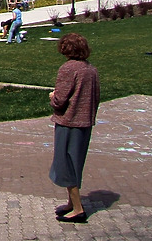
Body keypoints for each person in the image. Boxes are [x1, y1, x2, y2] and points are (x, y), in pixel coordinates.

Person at [49, 34, 100, 223]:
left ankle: (78, 209)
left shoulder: (68, 69)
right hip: (85, 123)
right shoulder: (91, 69)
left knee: (65, 164)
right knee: (76, 163)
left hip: (68, 122)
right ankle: (71, 203)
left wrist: (52, 97)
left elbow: (60, 100)